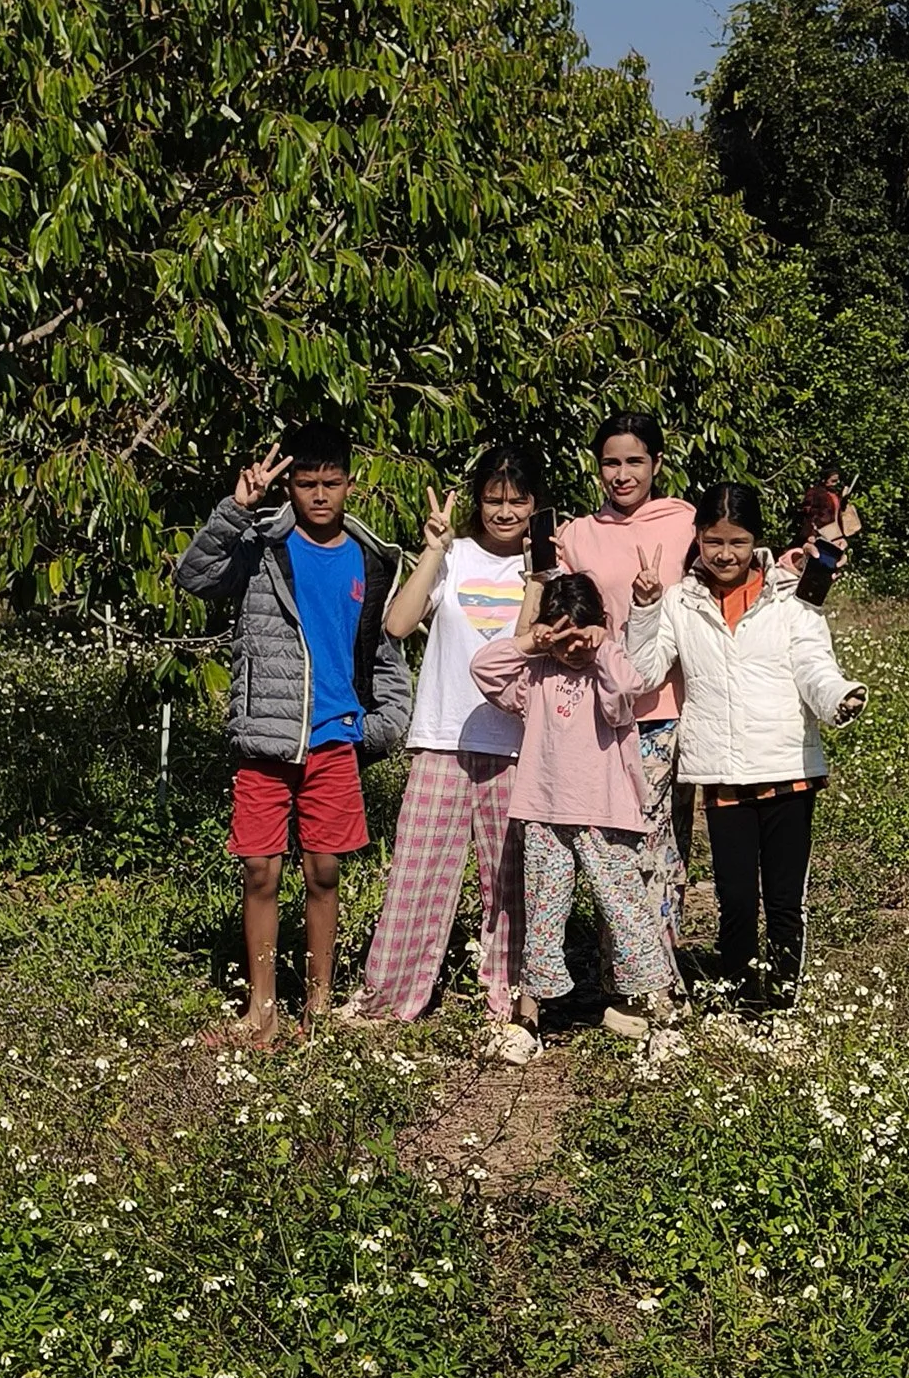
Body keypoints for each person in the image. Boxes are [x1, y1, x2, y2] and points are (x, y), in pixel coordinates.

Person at [175, 421, 412, 1045]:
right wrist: (235, 509)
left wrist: (383, 725)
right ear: (291, 488)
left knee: (324, 872)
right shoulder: (260, 545)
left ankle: (318, 1009)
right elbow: (194, 577)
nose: (319, 495)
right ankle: (261, 1010)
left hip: (336, 739)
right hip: (267, 736)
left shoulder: (373, 560)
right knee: (260, 870)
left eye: (331, 483)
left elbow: (384, 652)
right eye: (306, 484)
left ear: (350, 486)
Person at [628, 480, 866, 1015]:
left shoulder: (790, 594)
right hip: (724, 773)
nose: (725, 554)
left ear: (754, 540)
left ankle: (781, 1004)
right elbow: (642, 673)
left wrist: (838, 697)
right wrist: (643, 610)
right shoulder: (678, 602)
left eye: (737, 542)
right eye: (714, 541)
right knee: (735, 901)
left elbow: (813, 664)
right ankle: (740, 1005)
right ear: (698, 538)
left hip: (788, 766)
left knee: (784, 902)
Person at [341, 444, 542, 1034]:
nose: (504, 512)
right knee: (417, 870)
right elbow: (398, 624)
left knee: (510, 881)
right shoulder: (453, 556)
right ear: (477, 502)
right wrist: (432, 552)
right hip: (442, 736)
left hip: (517, 741)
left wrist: (538, 578)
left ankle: (509, 1004)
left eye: (517, 501)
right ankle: (389, 997)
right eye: (492, 500)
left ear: (536, 505)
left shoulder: (545, 565)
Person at [470, 572, 675, 1062]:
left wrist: (604, 646)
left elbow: (631, 686)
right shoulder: (536, 676)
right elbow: (484, 669)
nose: (574, 649)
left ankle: (656, 1010)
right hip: (542, 811)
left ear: (600, 626)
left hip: (605, 812)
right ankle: (527, 1018)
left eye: (583, 636)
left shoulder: (608, 669)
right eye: (565, 639)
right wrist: (532, 641)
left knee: (625, 910)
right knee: (543, 914)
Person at [555, 413, 697, 966]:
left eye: (634, 461)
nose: (622, 474)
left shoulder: (684, 523)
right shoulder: (575, 535)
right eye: (610, 462)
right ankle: (627, 967)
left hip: (668, 708)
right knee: (615, 843)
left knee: (663, 841)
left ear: (657, 465)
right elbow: (555, 609)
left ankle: (660, 967)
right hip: (599, 714)